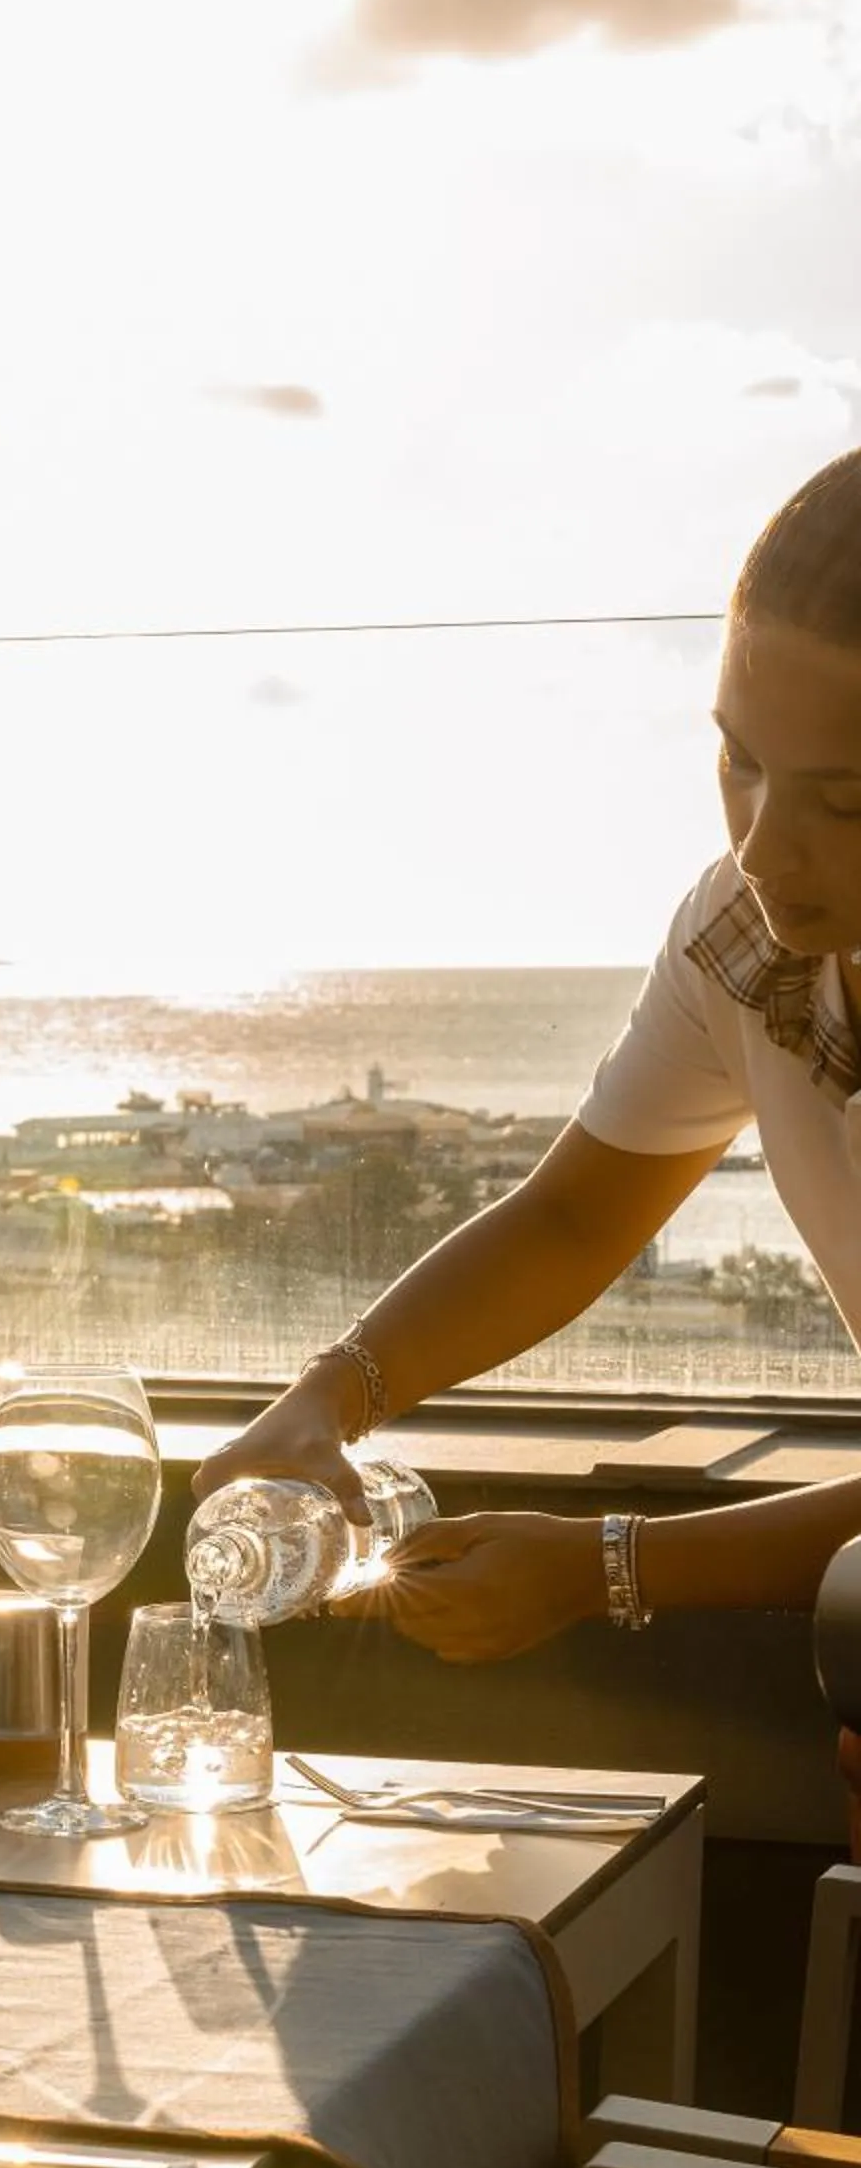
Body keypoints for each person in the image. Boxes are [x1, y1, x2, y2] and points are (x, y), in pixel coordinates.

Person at [192, 447, 861, 1661]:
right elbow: (571, 1220)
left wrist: (603, 1568)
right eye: (738, 761)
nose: (760, 851)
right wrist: (323, 1398)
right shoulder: (737, 933)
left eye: (844, 801)